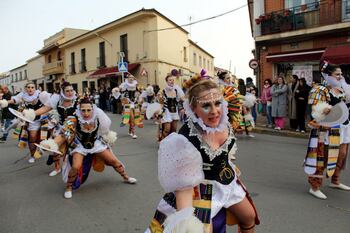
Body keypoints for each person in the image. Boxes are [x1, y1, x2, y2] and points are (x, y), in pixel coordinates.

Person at [146, 78, 259, 232]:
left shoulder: (225, 121)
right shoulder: (185, 139)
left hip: (227, 181)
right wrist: (186, 220)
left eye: (217, 103)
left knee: (249, 217)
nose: (214, 111)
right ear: (193, 108)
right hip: (199, 189)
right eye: (206, 105)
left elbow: (227, 155)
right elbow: (183, 188)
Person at [40, 97, 137, 199]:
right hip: (80, 146)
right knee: (76, 166)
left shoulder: (98, 116)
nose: (86, 113)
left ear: (92, 109)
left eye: (88, 110)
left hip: (96, 144)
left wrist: (108, 138)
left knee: (114, 161)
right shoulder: (73, 118)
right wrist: (51, 144)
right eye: (83, 110)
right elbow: (64, 134)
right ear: (79, 109)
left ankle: (126, 177)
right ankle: (68, 187)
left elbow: (105, 130)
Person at [304, 62, 350, 200]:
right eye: (337, 74)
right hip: (326, 130)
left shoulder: (341, 90)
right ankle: (314, 186)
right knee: (322, 157)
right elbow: (314, 113)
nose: (340, 77)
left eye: (341, 74)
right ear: (327, 75)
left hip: (344, 127)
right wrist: (324, 112)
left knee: (341, 155)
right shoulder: (319, 90)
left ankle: (335, 180)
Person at [31, 82, 78, 176]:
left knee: (73, 148)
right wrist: (31, 113)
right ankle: (57, 168)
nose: (70, 92)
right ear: (62, 92)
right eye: (67, 91)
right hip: (60, 128)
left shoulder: (78, 101)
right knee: (54, 149)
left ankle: (75, 167)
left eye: (71, 90)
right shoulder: (57, 101)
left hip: (74, 128)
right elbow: (45, 108)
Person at [0, 82, 51, 163]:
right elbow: (14, 100)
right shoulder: (23, 95)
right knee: (32, 138)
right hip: (32, 121)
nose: (30, 89)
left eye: (32, 87)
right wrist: (4, 102)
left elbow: (50, 104)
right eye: (28, 87)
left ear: (35, 88)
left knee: (45, 138)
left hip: (43, 119)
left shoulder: (41, 95)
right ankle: (32, 155)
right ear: (26, 88)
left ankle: (44, 152)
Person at [157, 74, 185, 141]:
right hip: (167, 112)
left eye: (173, 80)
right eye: (170, 80)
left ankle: (171, 143)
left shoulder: (176, 90)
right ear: (166, 81)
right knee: (167, 129)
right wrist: (159, 112)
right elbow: (160, 103)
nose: (172, 81)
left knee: (174, 130)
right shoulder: (163, 91)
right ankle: (163, 143)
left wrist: (183, 107)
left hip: (175, 112)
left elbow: (182, 99)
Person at [119, 74, 143, 138]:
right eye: (130, 77)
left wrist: (140, 98)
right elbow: (120, 92)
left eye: (132, 77)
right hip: (128, 104)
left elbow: (141, 92)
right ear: (127, 78)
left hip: (135, 103)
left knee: (135, 118)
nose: (131, 78)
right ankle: (133, 133)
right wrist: (118, 90)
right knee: (132, 118)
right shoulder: (124, 85)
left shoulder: (136, 85)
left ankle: (130, 130)